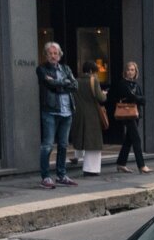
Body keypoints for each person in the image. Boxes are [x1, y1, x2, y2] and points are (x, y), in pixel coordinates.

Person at [35, 41, 79, 189]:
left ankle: (61, 175)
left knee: (63, 145)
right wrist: (63, 82)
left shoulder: (66, 68)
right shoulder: (41, 69)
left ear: (59, 55)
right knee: (47, 146)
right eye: (50, 53)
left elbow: (75, 85)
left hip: (67, 111)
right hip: (50, 111)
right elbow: (50, 85)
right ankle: (46, 177)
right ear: (46, 55)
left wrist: (58, 82)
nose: (53, 56)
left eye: (55, 53)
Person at [110, 60, 150, 173]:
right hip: (127, 114)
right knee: (136, 139)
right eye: (128, 70)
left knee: (129, 139)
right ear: (125, 71)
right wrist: (137, 98)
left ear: (135, 71)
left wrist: (137, 98)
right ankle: (141, 166)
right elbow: (132, 97)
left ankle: (121, 163)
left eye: (132, 70)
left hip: (136, 114)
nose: (130, 72)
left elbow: (142, 99)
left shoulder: (136, 84)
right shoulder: (123, 83)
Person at [71, 60, 106, 177]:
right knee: (94, 142)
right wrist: (105, 94)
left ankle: (84, 164)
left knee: (84, 139)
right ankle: (91, 169)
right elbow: (101, 98)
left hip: (79, 114)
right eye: (95, 72)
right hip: (92, 114)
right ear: (91, 71)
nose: (96, 74)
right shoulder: (93, 80)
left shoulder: (75, 80)